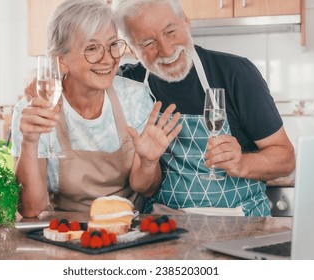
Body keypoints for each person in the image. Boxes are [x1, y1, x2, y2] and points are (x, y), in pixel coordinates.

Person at [112, 0, 295, 216]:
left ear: (186, 22)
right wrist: (147, 161)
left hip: (242, 224)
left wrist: (242, 163)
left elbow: (286, 159)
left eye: (171, 31)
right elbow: (143, 186)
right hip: (164, 229)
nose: (166, 50)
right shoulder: (128, 84)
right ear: (132, 49)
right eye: (148, 43)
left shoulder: (236, 73)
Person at [11, 0, 181, 218]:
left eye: (112, 45)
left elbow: (145, 188)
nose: (108, 58)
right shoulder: (33, 112)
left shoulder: (134, 98)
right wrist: (30, 142)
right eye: (92, 48)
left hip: (126, 229)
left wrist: (149, 162)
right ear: (61, 61)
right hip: (64, 230)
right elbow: (30, 208)